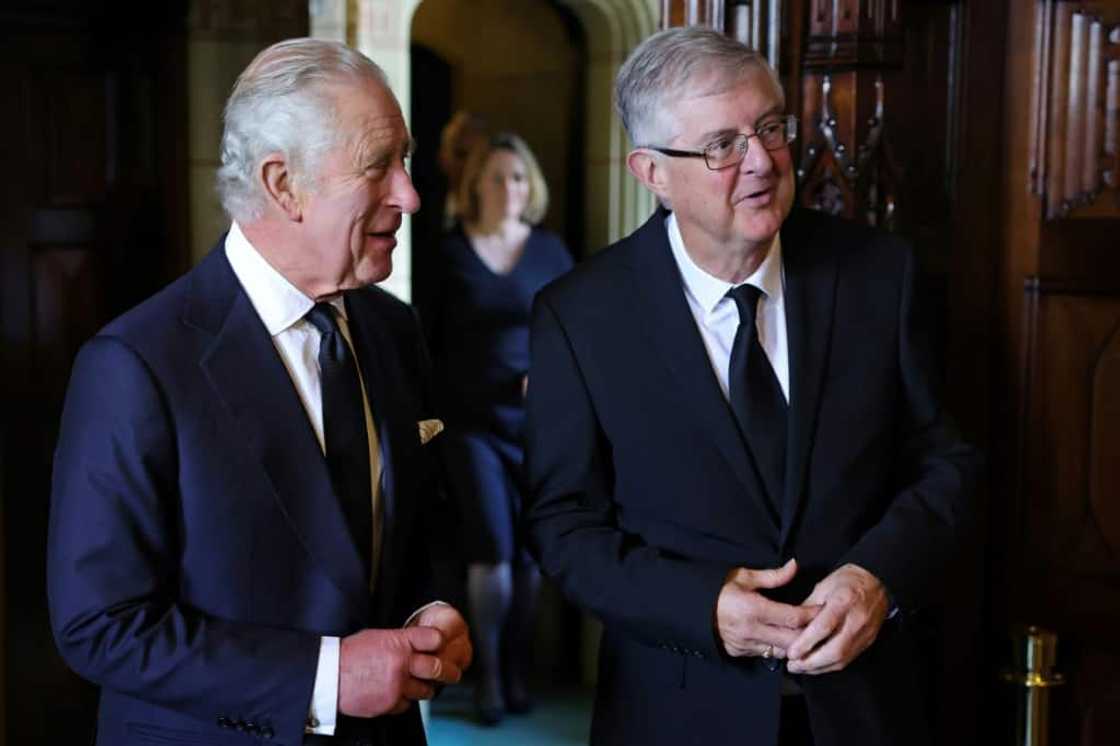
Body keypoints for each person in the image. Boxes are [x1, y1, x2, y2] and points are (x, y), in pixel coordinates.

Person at [524, 27, 979, 746]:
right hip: (678, 711)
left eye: (770, 128)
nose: (763, 162)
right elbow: (563, 526)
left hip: (864, 708)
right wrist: (700, 606)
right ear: (651, 173)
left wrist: (877, 577)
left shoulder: (878, 276)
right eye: (722, 145)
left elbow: (945, 463)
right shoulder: (579, 316)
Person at [47, 38, 471, 746]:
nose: (410, 194)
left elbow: (428, 519)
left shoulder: (393, 329)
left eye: (406, 159)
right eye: (379, 166)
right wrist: (326, 678)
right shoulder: (136, 365)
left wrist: (436, 604)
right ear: (282, 185)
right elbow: (101, 626)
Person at [420, 132, 573, 725]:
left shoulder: (550, 251)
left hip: (536, 426)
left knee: (530, 556)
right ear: (474, 187)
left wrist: (550, 378)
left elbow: (574, 333)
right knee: (492, 552)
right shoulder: (450, 253)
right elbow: (425, 341)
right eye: (496, 178)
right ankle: (485, 675)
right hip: (470, 426)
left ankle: (514, 668)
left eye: (517, 177)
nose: (508, 188)